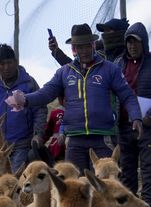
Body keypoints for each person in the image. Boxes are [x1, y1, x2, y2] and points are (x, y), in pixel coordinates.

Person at [9, 24, 142, 172]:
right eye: (79, 47)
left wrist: (136, 117)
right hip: (74, 140)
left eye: (86, 46)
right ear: (74, 49)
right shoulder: (64, 72)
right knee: (75, 187)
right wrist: (25, 99)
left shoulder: (110, 69)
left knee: (104, 187)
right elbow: (46, 93)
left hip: (103, 138)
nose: (84, 51)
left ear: (93, 45)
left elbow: (128, 95)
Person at [0, 44, 45, 171]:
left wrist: (38, 134)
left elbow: (40, 110)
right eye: (2, 63)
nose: (6, 67)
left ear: (16, 62)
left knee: (14, 181)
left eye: (9, 63)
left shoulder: (28, 83)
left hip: (21, 144)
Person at [117, 23, 151, 201]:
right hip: (123, 127)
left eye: (136, 42)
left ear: (144, 43)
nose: (132, 46)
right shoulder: (118, 64)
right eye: (129, 42)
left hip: (147, 128)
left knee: (148, 170)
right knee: (126, 173)